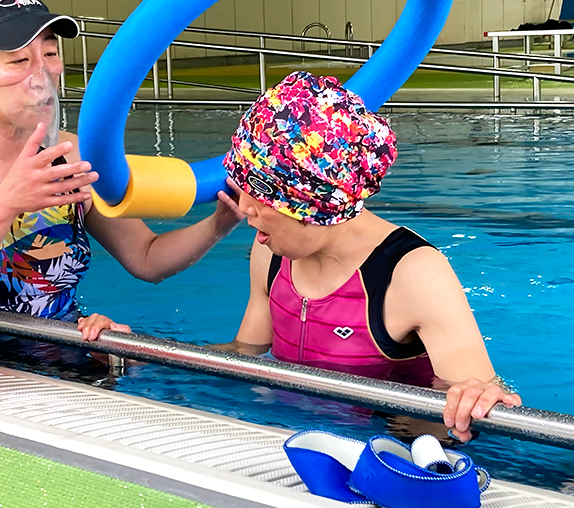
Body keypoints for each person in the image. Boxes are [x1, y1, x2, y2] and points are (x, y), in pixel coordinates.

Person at [0, 0, 243, 346]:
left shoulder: (70, 151)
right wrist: (7, 200)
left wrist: (219, 223)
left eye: (50, 55)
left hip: (66, 355)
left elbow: (146, 258)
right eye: (18, 61)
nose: (40, 76)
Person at [214, 71, 520, 443]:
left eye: (262, 192)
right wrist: (142, 357)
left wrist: (480, 394)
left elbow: (477, 397)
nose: (244, 207)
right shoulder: (271, 254)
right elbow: (245, 353)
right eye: (242, 184)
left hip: (391, 448)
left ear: (317, 203)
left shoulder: (412, 274)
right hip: (291, 434)